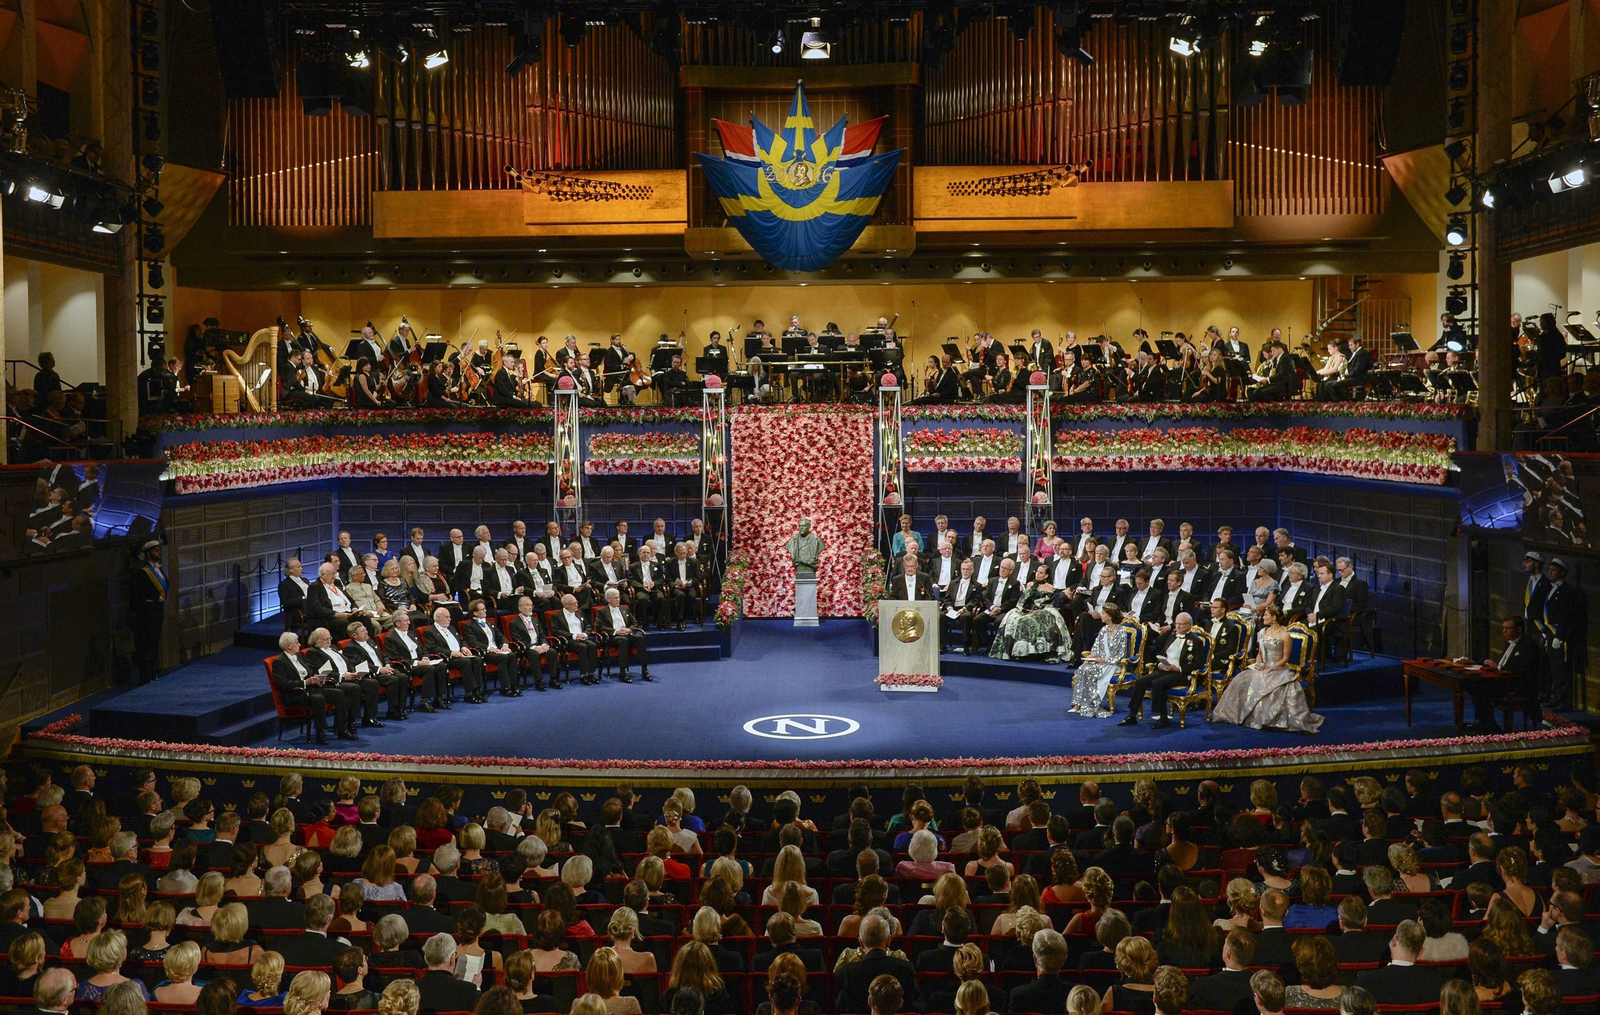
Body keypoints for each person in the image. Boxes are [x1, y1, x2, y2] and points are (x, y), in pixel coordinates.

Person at [1212, 603, 1323, 733]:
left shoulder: (1285, 635)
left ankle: (1268, 719)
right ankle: (1241, 715)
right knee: (1241, 679)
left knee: (1271, 686)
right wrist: (1258, 666)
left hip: (1278, 669)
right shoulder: (1263, 632)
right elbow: (1260, 653)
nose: (1263, 617)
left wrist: (1272, 667)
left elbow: (1285, 658)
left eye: (1265, 615)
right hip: (1263, 667)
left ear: (1274, 617)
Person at [1119, 611, 1206, 729]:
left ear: (1189, 625)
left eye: (1182, 624)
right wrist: (1161, 665)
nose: (1178, 626)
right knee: (1141, 681)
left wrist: (1179, 668)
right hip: (1165, 669)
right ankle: (1132, 715)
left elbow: (1199, 663)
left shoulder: (1196, 641)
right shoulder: (1172, 636)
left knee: (1157, 683)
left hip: (1182, 673)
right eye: (1176, 624)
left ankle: (1163, 717)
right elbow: (1162, 655)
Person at [989, 562, 1072, 661]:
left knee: (1027, 621)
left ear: (1046, 575)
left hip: (1042, 611)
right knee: (1012, 617)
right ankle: (1012, 651)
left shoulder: (1049, 587)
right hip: (1026, 609)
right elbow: (1023, 600)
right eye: (1037, 571)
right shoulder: (1029, 585)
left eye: (1041, 573)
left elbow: (1046, 603)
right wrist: (1022, 609)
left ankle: (1028, 652)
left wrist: (1035, 610)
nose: (1037, 574)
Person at [1070, 603, 1133, 718]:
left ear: (1110, 616)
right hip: (1099, 661)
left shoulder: (1121, 632)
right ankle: (1078, 704)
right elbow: (1096, 647)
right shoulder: (1103, 629)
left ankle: (1091, 704)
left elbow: (1121, 654)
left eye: (1104, 613)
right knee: (1082, 668)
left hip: (1113, 664)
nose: (1101, 615)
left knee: (1089, 671)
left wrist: (1105, 659)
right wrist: (1092, 655)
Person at [131, 540, 168, 685]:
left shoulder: (159, 569)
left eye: (159, 550)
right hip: (147, 613)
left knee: (155, 643)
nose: (159, 552)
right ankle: (145, 677)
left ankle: (152, 672)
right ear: (147, 554)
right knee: (146, 645)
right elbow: (138, 593)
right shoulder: (142, 572)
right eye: (155, 550)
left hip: (157, 611)